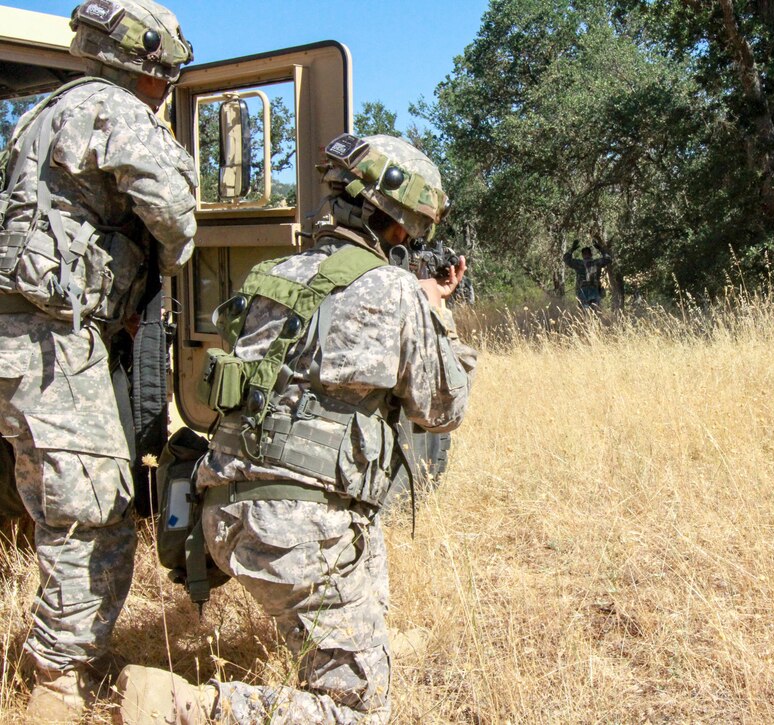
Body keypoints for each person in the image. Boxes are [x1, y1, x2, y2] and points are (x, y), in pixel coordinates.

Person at [115, 133, 476, 724]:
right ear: (396, 225)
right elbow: (443, 409)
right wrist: (436, 309)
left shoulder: (272, 276)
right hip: (296, 529)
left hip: (222, 512)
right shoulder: (395, 291)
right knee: (360, 713)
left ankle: (360, 639)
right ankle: (191, 707)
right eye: (411, 230)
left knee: (362, 544)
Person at [0, 0, 195, 721]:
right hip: (50, 341)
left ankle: (58, 652)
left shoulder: (41, 113)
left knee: (54, 500)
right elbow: (174, 213)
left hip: (28, 339)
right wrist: (172, 261)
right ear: (151, 63)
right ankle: (56, 677)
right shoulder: (116, 111)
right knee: (94, 513)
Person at [563, 239, 612, 309]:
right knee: (595, 314)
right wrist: (600, 249)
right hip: (594, 292)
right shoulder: (596, 263)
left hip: (583, 292)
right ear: (591, 254)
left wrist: (572, 249)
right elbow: (608, 259)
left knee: (584, 314)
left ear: (582, 255)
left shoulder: (578, 263)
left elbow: (566, 259)